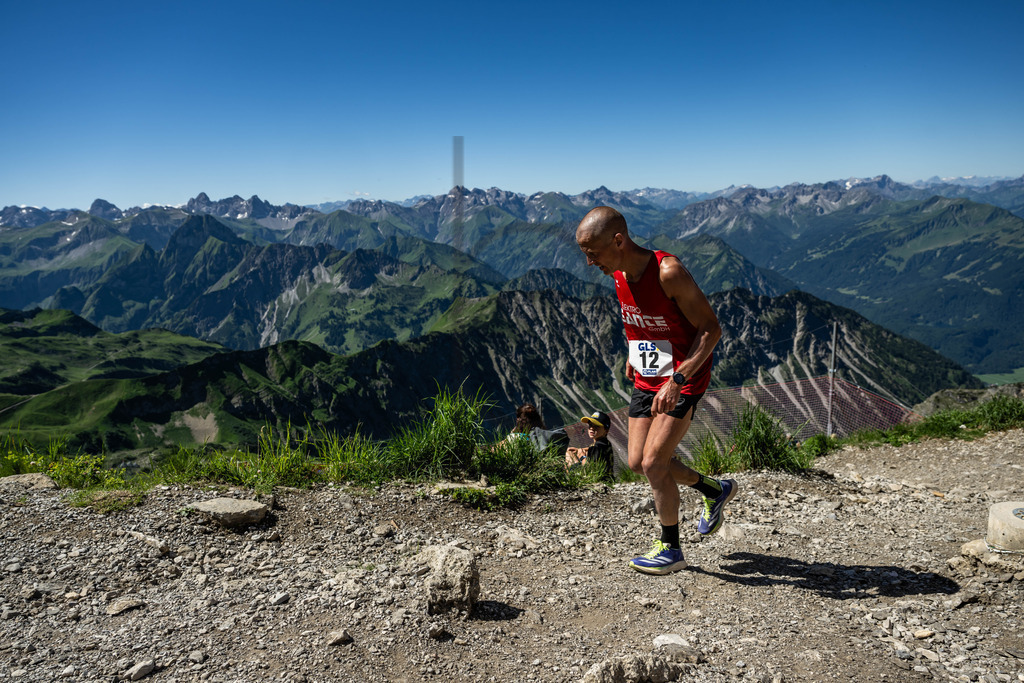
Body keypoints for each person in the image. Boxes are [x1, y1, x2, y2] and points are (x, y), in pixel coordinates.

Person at [576, 206, 737, 575]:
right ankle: (714, 490)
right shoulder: (617, 273)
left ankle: (671, 548)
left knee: (654, 463)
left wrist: (678, 380)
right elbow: (635, 318)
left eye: (592, 253)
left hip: (682, 380)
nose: (588, 263)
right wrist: (635, 353)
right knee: (637, 462)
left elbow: (711, 329)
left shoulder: (669, 272)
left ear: (618, 240)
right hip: (648, 377)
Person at [565, 410, 615, 479]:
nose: (592, 428)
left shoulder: (598, 447)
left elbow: (590, 469)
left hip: (598, 480)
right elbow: (592, 449)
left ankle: (571, 479)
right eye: (590, 425)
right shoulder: (605, 444)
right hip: (608, 479)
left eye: (596, 426)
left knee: (569, 455)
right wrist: (580, 450)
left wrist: (582, 456)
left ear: (606, 431)